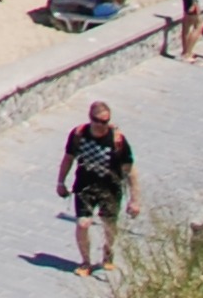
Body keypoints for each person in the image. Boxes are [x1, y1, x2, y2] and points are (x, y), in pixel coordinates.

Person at [57, 99, 134, 275]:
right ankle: (86, 262)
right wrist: (61, 182)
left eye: (106, 122)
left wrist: (134, 199)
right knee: (83, 224)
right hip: (85, 186)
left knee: (109, 224)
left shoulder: (117, 140)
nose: (102, 125)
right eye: (98, 121)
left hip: (110, 187)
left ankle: (108, 252)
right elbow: (68, 158)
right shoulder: (78, 135)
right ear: (90, 119)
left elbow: (130, 169)